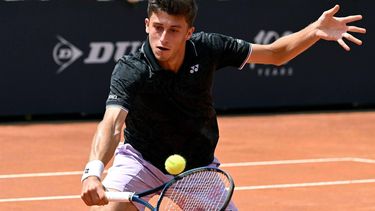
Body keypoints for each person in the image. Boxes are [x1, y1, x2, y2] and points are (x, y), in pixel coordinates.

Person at [80, 0, 366, 210]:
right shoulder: (131, 69)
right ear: (147, 25)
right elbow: (112, 123)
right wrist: (93, 172)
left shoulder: (209, 48)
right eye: (158, 27)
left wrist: (314, 30)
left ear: (189, 32)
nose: (163, 38)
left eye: (174, 30)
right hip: (141, 162)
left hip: (198, 169)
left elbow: (276, 54)